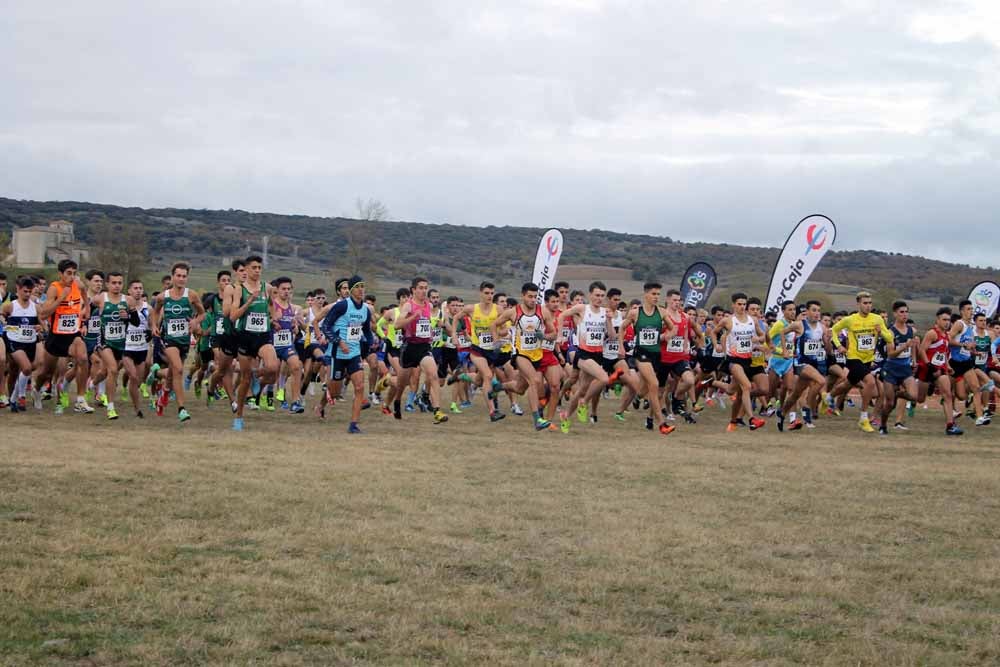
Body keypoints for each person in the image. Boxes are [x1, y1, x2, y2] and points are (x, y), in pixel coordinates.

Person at [34, 259, 94, 414]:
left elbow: (84, 294)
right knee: (46, 372)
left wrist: (87, 308)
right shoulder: (54, 288)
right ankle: (36, 390)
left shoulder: (78, 285)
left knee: (83, 359)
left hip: (73, 334)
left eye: (74, 273)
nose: (72, 276)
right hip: (56, 336)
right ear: (60, 274)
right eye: (68, 273)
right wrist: (62, 298)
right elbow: (44, 313)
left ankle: (80, 400)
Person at [830, 291, 895, 433]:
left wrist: (881, 331)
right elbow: (834, 331)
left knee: (848, 383)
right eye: (865, 303)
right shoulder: (850, 319)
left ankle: (829, 397)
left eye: (870, 303)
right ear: (858, 304)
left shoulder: (877, 319)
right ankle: (863, 418)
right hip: (853, 357)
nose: (868, 306)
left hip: (867, 359)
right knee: (870, 382)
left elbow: (890, 338)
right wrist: (839, 345)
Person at [387, 277, 449, 424]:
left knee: (433, 375)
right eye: (420, 288)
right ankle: (397, 402)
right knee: (403, 383)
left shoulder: (428, 305)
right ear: (413, 290)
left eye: (425, 287)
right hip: (409, 347)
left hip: (424, 347)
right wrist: (413, 317)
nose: (423, 290)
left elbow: (431, 323)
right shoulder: (409, 306)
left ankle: (437, 410)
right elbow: (397, 325)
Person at [318, 275, 376, 432]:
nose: (361, 289)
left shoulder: (366, 310)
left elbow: (366, 331)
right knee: (335, 391)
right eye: (357, 286)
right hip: (338, 353)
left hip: (354, 353)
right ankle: (322, 405)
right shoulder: (342, 306)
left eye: (362, 286)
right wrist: (339, 341)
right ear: (351, 290)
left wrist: (371, 343)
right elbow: (326, 327)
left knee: (359, 386)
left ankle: (353, 425)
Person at [149, 262, 205, 422]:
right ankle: (182, 409)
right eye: (178, 276)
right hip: (168, 339)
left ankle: (164, 392)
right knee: (179, 370)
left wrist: (195, 322)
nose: (181, 279)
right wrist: (154, 325)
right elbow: (155, 311)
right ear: (172, 276)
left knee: (173, 372)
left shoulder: (191, 295)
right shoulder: (163, 297)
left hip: (184, 340)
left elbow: (202, 314)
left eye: (184, 276)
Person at [229, 255, 279, 430]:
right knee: (244, 380)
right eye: (254, 268)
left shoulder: (267, 288)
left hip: (263, 336)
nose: (257, 271)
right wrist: (249, 301)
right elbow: (233, 316)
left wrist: (274, 319)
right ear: (247, 269)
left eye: (259, 267)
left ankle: (257, 377)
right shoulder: (239, 289)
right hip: (245, 336)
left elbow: (272, 306)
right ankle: (239, 416)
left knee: (273, 367)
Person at [619, 282, 676, 435]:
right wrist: (621, 346)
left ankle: (637, 397)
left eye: (658, 294)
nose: (656, 297)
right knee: (655, 384)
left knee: (645, 389)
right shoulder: (635, 313)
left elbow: (673, 328)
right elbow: (622, 328)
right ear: (646, 294)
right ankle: (662, 424)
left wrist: (668, 335)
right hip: (641, 353)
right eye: (653, 294)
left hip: (656, 354)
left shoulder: (662, 312)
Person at [715, 292, 767, 431]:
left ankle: (732, 422)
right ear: (733, 305)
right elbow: (714, 332)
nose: (742, 307)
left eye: (744, 304)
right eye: (739, 304)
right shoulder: (728, 321)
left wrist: (758, 339)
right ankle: (752, 419)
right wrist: (717, 345)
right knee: (747, 386)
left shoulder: (753, 320)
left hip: (748, 360)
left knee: (733, 391)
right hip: (733, 360)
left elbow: (763, 336)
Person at [2, 276, 40, 412]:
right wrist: (4, 321)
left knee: (19, 371)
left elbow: (43, 325)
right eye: (25, 291)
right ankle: (21, 397)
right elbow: (1, 315)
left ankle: (12, 399)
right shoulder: (11, 306)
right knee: (27, 368)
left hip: (30, 342)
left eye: (30, 292)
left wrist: (40, 327)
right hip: (14, 342)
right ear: (18, 289)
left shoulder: (36, 307)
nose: (28, 294)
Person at [270, 276, 305, 414]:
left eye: (289, 289)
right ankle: (257, 388)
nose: (286, 291)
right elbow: (263, 323)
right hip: (271, 344)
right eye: (283, 289)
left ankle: (295, 402)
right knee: (270, 372)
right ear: (277, 290)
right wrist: (273, 322)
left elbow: (293, 327)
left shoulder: (292, 308)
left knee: (296, 367)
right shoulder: (271, 305)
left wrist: (294, 327)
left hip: (286, 345)